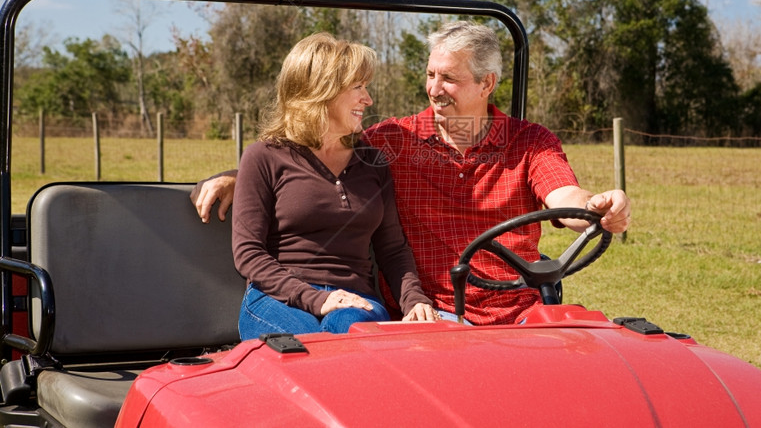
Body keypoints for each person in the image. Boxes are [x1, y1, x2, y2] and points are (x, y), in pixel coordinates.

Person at [194, 22, 631, 326]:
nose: (434, 89)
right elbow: (309, 151)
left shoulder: (530, 142)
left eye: (450, 79)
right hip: (433, 311)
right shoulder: (392, 141)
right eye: (430, 75)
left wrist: (594, 208)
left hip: (518, 308)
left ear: (487, 83)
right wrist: (238, 176)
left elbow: (565, 196)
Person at [230, 32, 436, 340]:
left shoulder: (372, 162)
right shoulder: (264, 156)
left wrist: (414, 300)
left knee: (344, 331)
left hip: (356, 300)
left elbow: (393, 249)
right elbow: (248, 253)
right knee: (312, 345)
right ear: (320, 91)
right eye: (358, 87)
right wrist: (318, 299)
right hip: (276, 299)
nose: (368, 99)